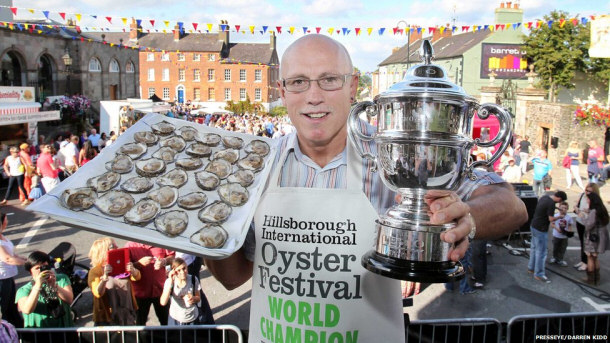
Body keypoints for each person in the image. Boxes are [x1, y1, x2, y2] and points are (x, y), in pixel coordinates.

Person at [203, 35, 528, 342]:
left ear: (352, 87)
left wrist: (464, 219)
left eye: (329, 80)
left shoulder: (395, 154)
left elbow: (511, 206)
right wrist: (206, 224)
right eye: (299, 82)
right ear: (283, 91)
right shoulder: (255, 166)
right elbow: (232, 278)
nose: (313, 96)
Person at [88, 237, 141, 326]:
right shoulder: (95, 271)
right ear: (103, 252)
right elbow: (97, 293)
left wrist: (133, 271)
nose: (117, 247)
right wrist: (104, 278)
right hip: (107, 319)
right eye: (113, 246)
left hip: (126, 315)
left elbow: (137, 277)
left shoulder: (121, 264)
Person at [16, 251, 74, 327]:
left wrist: (54, 286)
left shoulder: (61, 279)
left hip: (64, 330)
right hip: (39, 334)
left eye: (44, 266)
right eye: (37, 268)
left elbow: (69, 299)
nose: (41, 271)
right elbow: (27, 310)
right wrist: (37, 286)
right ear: (30, 271)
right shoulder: (23, 290)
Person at [124, 242, 174, 326]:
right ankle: (142, 339)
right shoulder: (130, 246)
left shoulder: (160, 240)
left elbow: (173, 257)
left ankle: (168, 339)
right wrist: (139, 263)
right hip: (140, 293)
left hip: (160, 291)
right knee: (139, 325)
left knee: (167, 323)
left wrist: (164, 261)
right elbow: (124, 268)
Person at [528, 190, 567, 283]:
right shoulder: (551, 204)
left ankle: (531, 268)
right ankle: (539, 274)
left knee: (533, 248)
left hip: (533, 225)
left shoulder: (545, 197)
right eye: (560, 201)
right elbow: (551, 219)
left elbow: (547, 207)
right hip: (541, 229)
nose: (559, 203)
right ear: (560, 198)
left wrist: (558, 208)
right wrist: (560, 216)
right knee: (541, 252)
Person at [160, 257, 202, 325]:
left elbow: (198, 298)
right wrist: (170, 282)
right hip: (176, 319)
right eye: (178, 270)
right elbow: (163, 302)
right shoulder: (170, 282)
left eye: (184, 268)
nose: (182, 272)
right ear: (174, 271)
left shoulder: (193, 279)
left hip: (192, 318)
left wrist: (193, 298)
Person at [0, 212, 25, 327]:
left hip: (8, 278)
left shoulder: (2, 236)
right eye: (6, 220)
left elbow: (12, 254)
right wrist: (28, 264)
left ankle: (17, 330)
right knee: (4, 309)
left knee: (11, 307)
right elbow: (8, 259)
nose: (7, 222)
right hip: (2, 280)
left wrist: (24, 259)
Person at [582, 192, 610, 285]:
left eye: (588, 199)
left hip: (594, 236)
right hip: (601, 235)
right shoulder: (602, 209)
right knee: (595, 256)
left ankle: (591, 279)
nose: (587, 201)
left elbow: (588, 225)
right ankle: (597, 279)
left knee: (590, 257)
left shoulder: (594, 211)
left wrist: (583, 217)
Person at [574, 183, 599, 271]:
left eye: (589, 191)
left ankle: (586, 263)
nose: (587, 192)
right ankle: (583, 260)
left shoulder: (595, 200)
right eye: (586, 190)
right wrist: (576, 209)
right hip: (580, 221)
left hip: (588, 224)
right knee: (582, 242)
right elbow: (576, 205)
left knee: (587, 244)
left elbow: (597, 212)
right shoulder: (582, 195)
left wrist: (589, 211)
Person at [550, 202, 575, 267]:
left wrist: (569, 231)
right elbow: (552, 224)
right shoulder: (556, 216)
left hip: (564, 236)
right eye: (562, 208)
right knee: (555, 246)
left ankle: (560, 259)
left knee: (563, 247)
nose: (564, 209)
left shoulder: (568, 217)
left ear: (567, 209)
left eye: (565, 208)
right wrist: (556, 228)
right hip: (556, 235)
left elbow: (569, 225)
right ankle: (554, 257)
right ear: (559, 208)